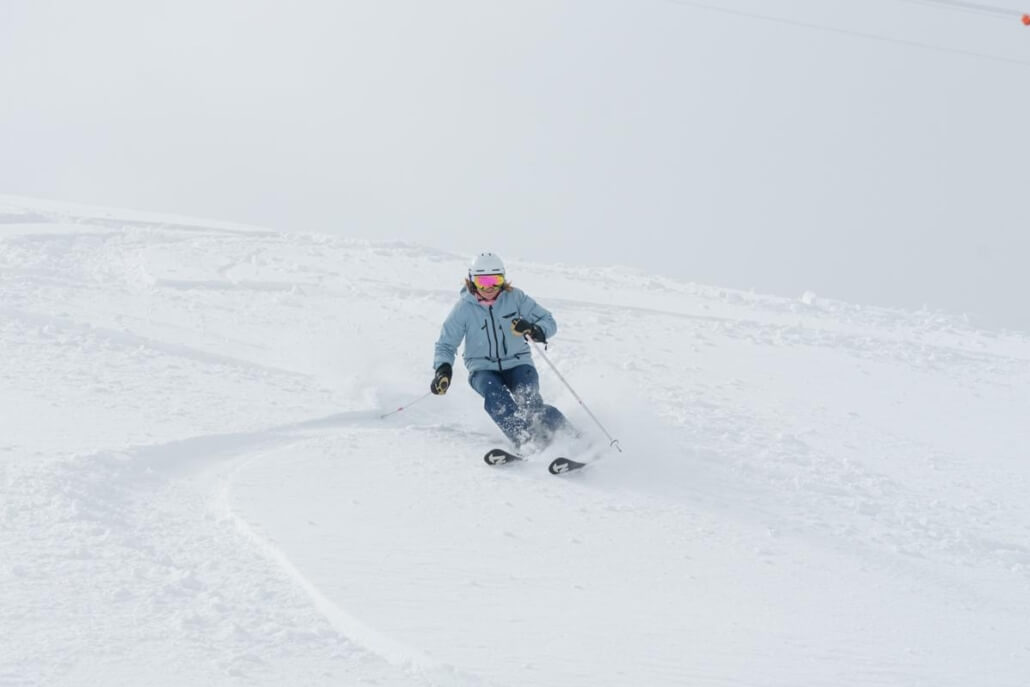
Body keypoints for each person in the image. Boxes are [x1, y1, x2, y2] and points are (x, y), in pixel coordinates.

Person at [431, 252, 572, 451]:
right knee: (496, 397)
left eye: (495, 280)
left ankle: (571, 437)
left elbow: (548, 321)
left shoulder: (515, 298)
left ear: (503, 279)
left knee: (530, 401)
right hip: (483, 368)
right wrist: (443, 369)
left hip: (518, 363)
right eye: (482, 281)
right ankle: (526, 442)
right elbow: (446, 344)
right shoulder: (463, 309)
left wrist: (532, 329)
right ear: (472, 281)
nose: (489, 287)